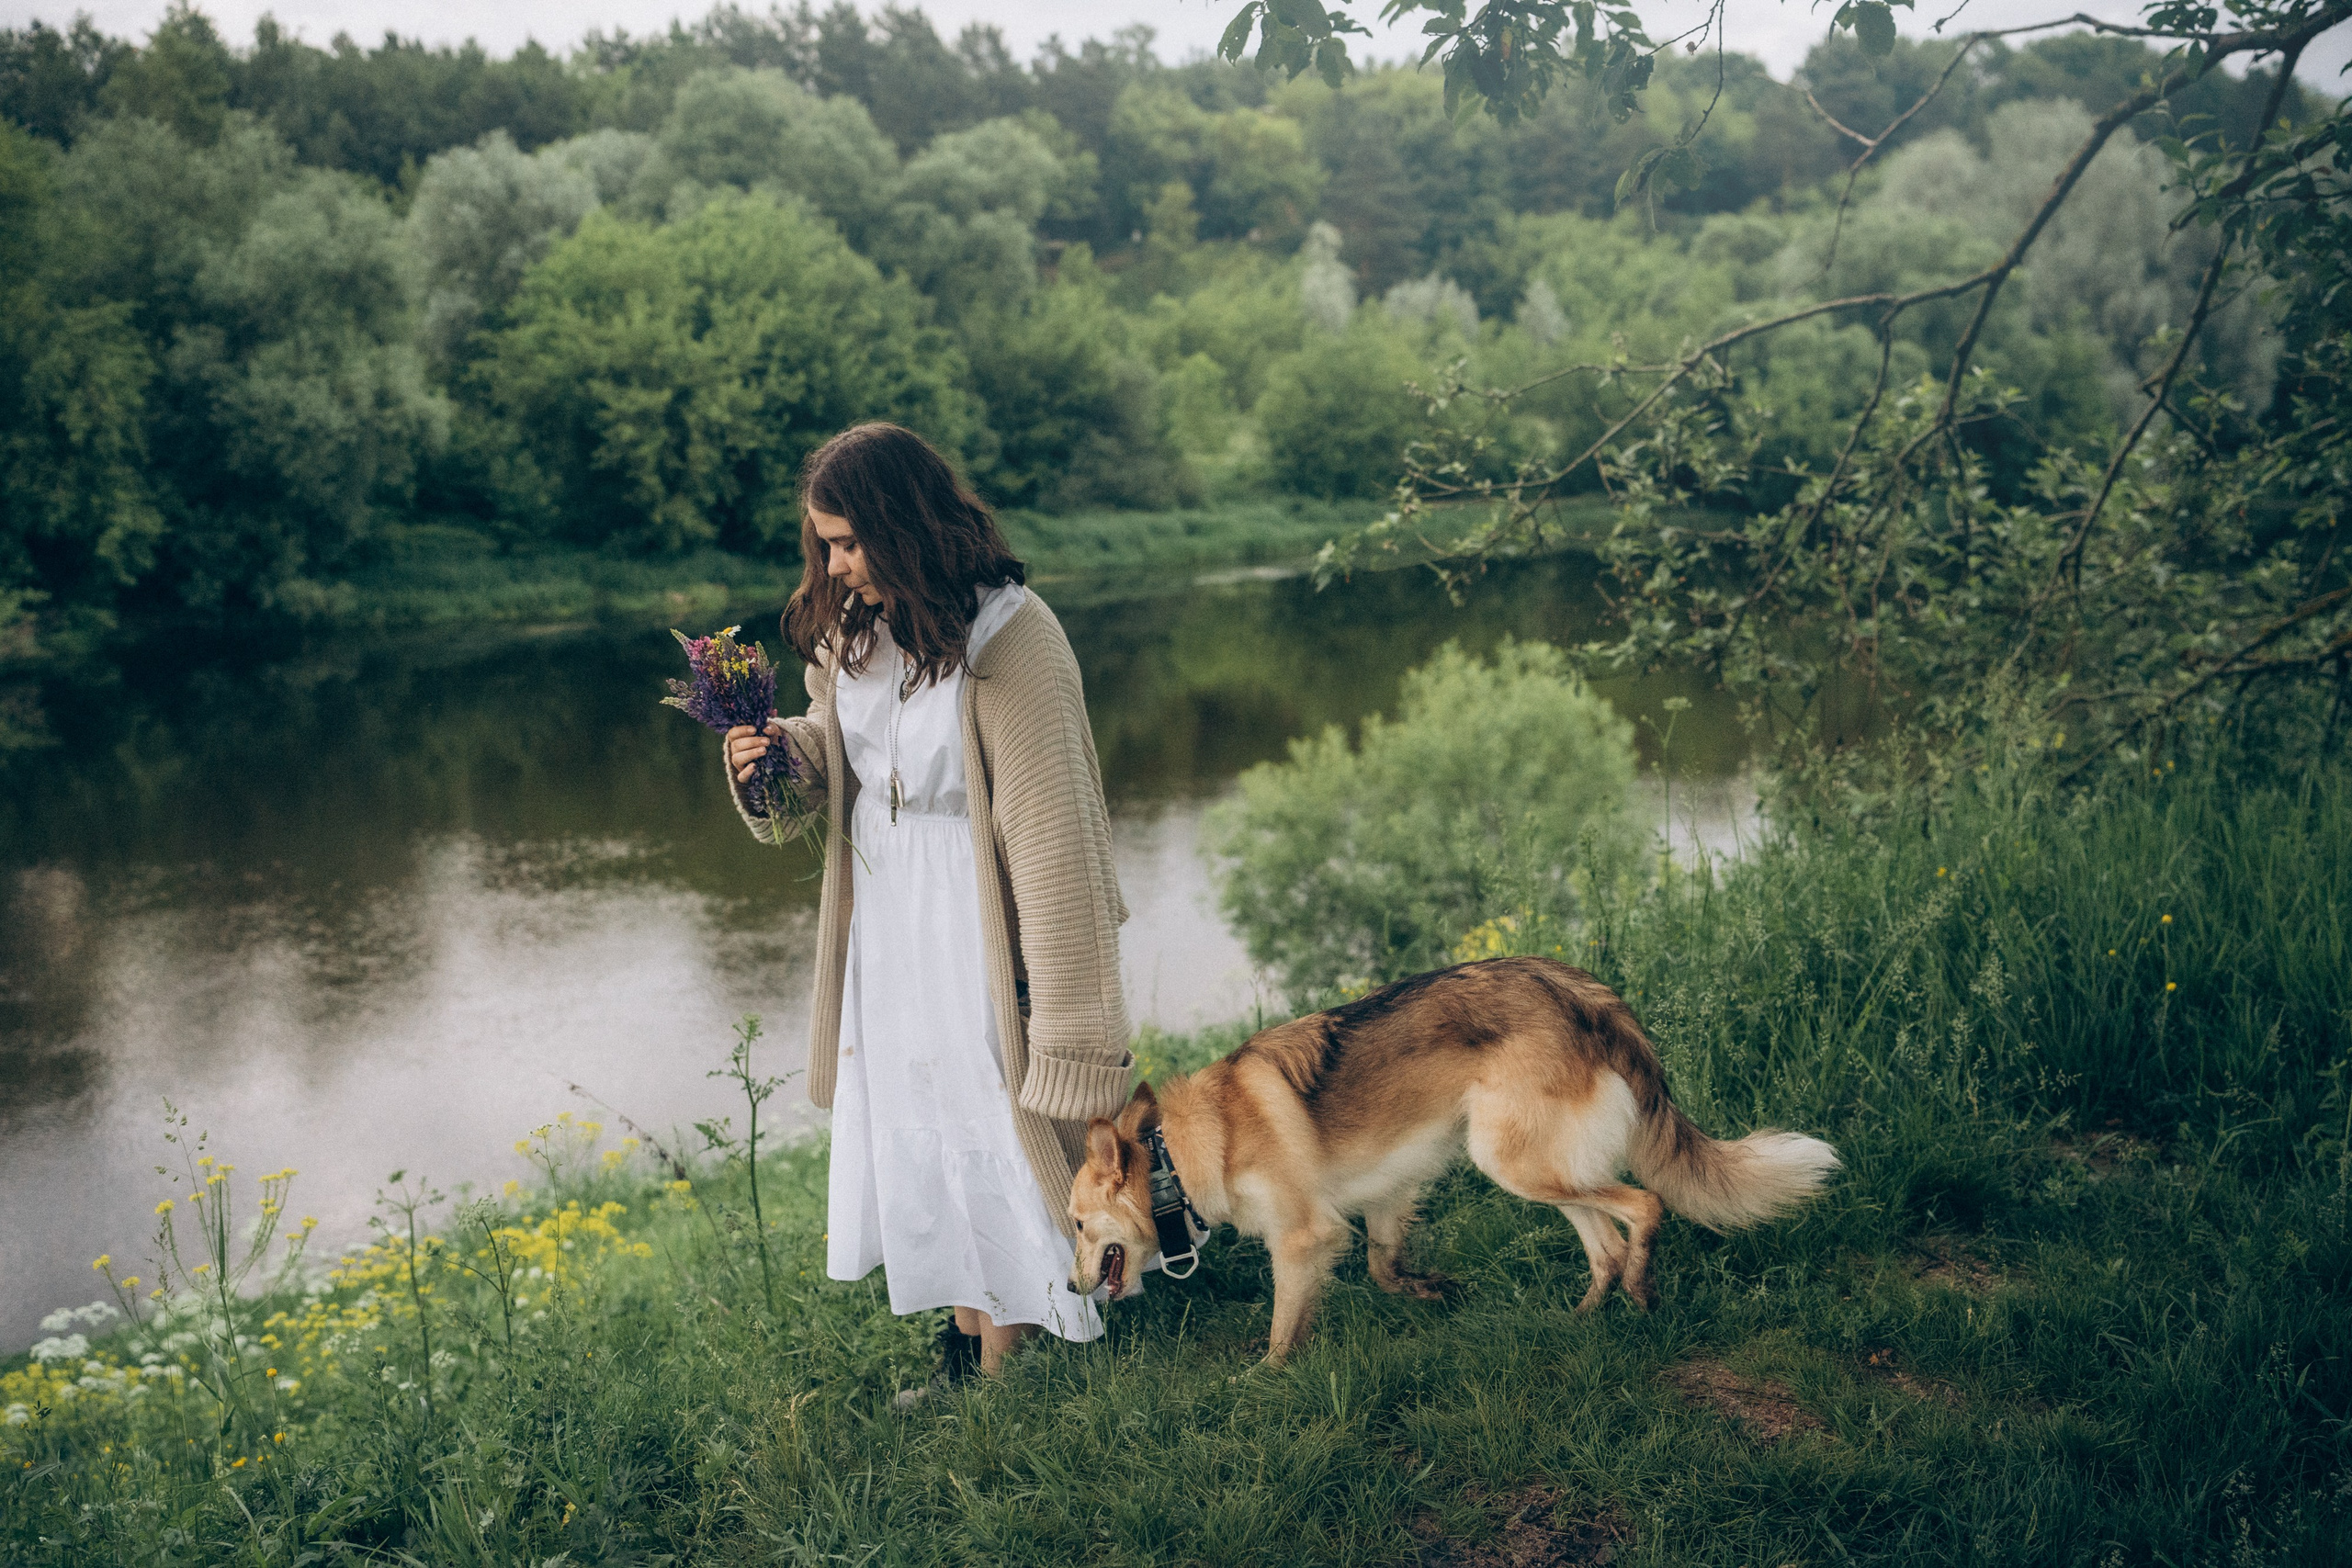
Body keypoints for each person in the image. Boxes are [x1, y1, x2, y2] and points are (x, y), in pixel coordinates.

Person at [722, 422, 1134, 1378]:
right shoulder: (850, 634)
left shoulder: (1012, 637)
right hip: (886, 911)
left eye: (850, 542)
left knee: (988, 1116)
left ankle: (1009, 1356)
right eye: (822, 542)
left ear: (906, 528)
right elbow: (840, 770)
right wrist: (772, 757)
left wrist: (1067, 1009)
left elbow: (1055, 831)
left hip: (972, 916)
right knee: (916, 1118)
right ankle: (964, 1330)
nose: (833, 562)